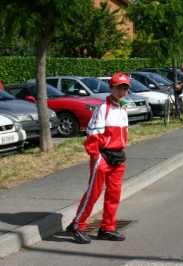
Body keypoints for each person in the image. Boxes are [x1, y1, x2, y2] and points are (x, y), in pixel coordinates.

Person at [66, 73, 130, 244]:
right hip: (102, 156)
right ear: (110, 88)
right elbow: (92, 135)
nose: (121, 91)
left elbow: (123, 134)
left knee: (114, 194)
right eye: (118, 88)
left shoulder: (124, 107)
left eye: (124, 88)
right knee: (93, 193)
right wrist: (96, 157)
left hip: (118, 157)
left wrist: (122, 152)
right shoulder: (103, 108)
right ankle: (77, 225)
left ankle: (108, 228)